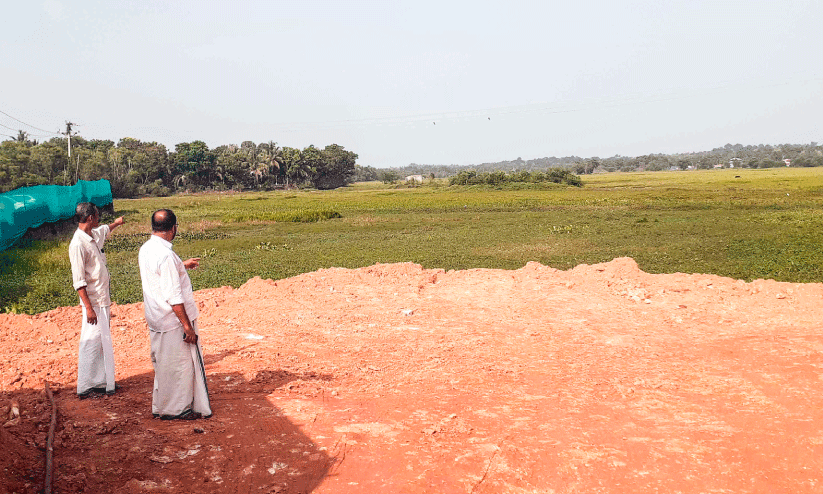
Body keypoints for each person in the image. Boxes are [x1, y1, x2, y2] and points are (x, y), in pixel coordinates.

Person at [138, 209, 211, 420]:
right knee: (181, 366)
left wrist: (181, 265)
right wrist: (187, 327)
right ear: (173, 228)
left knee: (163, 364)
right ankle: (176, 409)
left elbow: (159, 274)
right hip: (172, 321)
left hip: (156, 317)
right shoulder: (166, 255)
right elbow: (174, 296)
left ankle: (161, 405)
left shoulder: (147, 248)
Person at [68, 202, 124, 398]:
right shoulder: (78, 244)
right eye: (97, 216)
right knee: (91, 341)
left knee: (102, 340)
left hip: (101, 300)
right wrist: (88, 308)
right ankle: (86, 386)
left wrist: (117, 223)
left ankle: (102, 382)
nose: (99, 219)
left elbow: (104, 230)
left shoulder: (92, 235)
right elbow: (79, 281)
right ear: (90, 217)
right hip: (93, 302)